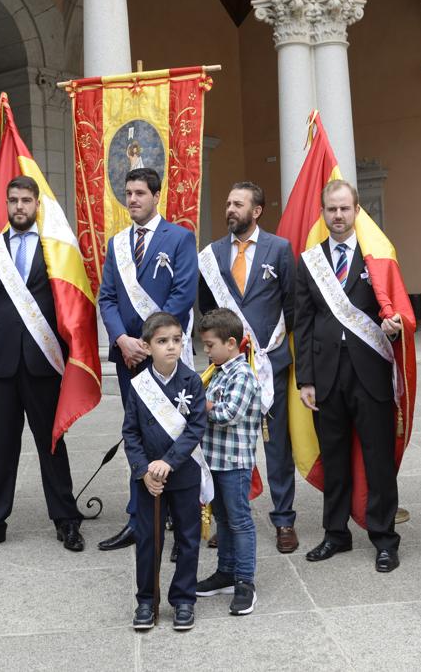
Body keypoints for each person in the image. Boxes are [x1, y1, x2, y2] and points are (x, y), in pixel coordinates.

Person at [0, 177, 85, 557]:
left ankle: (66, 520)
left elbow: (70, 306)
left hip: (42, 362)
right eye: (13, 200)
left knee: (51, 445)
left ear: (36, 205)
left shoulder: (56, 249)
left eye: (25, 200)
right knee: (2, 448)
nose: (18, 207)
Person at [294, 180, 403, 573]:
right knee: (335, 457)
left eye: (344, 209)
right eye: (331, 210)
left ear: (357, 211)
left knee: (378, 458)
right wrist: (305, 379)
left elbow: (397, 312)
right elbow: (302, 325)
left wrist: (394, 326)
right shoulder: (310, 262)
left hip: (370, 371)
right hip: (325, 376)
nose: (337, 216)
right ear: (323, 214)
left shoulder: (378, 258)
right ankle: (335, 533)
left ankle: (384, 537)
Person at [97, 168, 197, 552]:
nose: (132, 199)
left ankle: (177, 515)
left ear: (156, 195)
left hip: (165, 357)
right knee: (137, 434)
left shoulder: (179, 238)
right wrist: (123, 339)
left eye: (140, 193)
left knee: (173, 431)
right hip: (128, 357)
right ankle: (140, 518)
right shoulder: (117, 244)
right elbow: (106, 298)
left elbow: (182, 294)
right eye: (128, 193)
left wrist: (147, 342)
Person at [197, 182, 298, 553]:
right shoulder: (211, 254)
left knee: (276, 447)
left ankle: (284, 520)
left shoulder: (280, 250)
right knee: (228, 447)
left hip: (270, 365)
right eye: (227, 203)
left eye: (237, 204)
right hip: (229, 369)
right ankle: (227, 521)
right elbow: (206, 309)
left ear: (256, 211)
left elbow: (292, 307)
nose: (229, 209)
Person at [123, 312, 207, 632]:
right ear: (147, 346)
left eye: (176, 340)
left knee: (187, 537)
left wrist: (168, 462)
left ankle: (184, 598)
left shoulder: (192, 381)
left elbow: (195, 427)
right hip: (148, 481)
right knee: (148, 539)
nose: (171, 347)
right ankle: (147, 599)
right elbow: (130, 433)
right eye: (162, 341)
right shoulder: (138, 385)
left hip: (183, 475)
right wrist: (144, 470)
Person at [194, 308, 262, 616]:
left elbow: (227, 414)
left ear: (231, 343)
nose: (206, 351)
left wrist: (200, 403)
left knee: (239, 521)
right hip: (215, 461)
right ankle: (225, 572)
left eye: (210, 345)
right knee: (223, 519)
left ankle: (245, 581)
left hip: (234, 463)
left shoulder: (243, 374)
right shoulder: (219, 371)